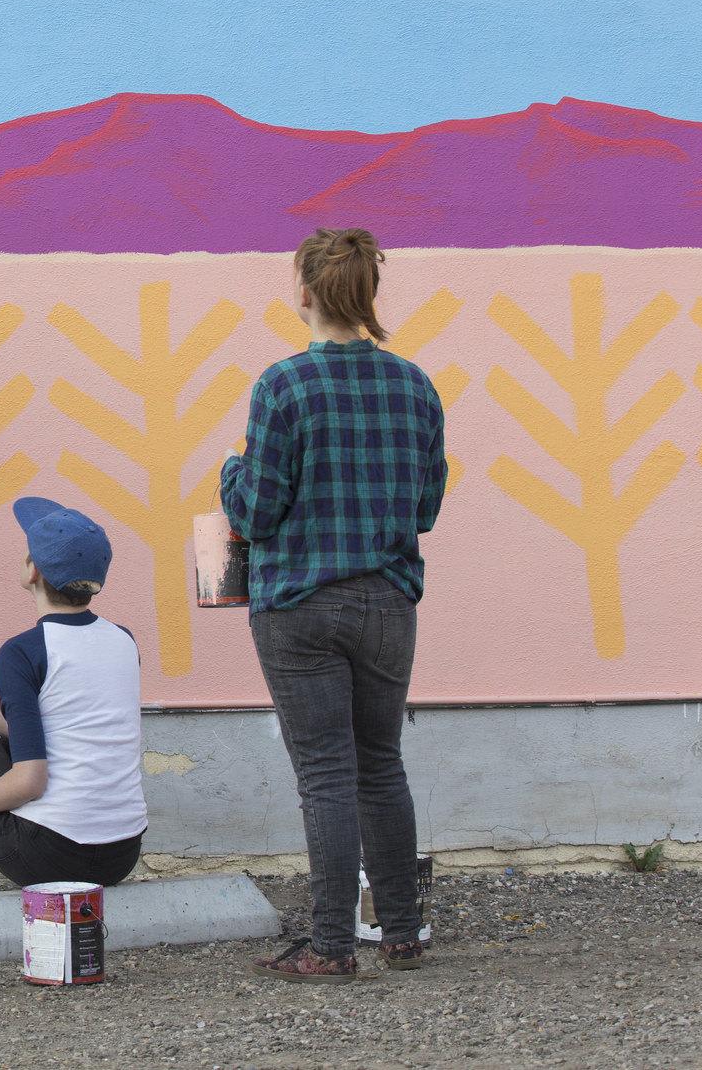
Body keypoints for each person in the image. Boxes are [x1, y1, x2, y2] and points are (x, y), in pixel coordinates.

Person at [220, 227, 445, 981]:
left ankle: (330, 945)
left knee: (323, 774)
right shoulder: (414, 384)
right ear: (368, 294)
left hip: (300, 606)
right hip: (387, 601)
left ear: (305, 290)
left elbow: (254, 511)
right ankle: (403, 933)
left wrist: (229, 471)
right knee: (381, 766)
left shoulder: (281, 386)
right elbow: (425, 507)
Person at [0, 499, 147, 890]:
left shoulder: (23, 652)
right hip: (120, 856)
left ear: (32, 570)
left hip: (48, 856)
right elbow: (60, 722)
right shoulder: (124, 640)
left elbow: (30, 782)